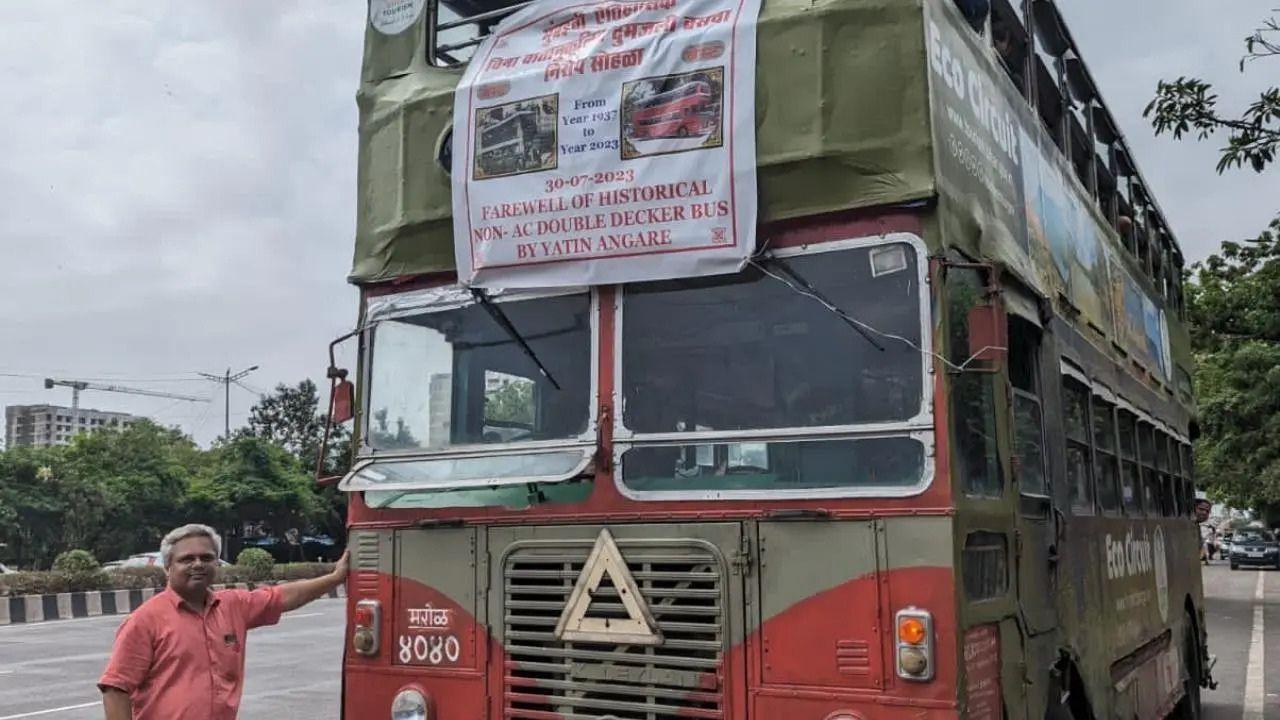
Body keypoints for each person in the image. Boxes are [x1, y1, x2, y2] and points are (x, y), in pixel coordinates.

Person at [98, 523, 348, 720]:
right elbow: (115, 688)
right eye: (187, 559)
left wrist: (335, 578)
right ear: (168, 568)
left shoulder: (233, 606)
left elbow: (283, 597)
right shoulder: (145, 620)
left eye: (206, 558)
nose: (198, 564)